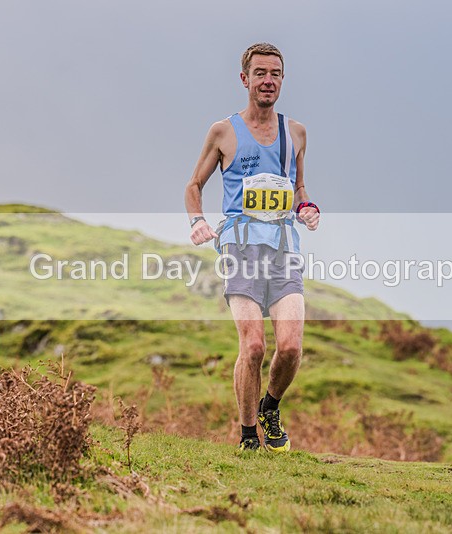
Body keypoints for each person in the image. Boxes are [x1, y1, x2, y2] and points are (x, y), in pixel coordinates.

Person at [184, 43, 320, 452]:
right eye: (260, 73)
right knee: (254, 346)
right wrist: (198, 221)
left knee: (292, 347)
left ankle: (270, 407)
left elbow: (297, 189)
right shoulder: (223, 132)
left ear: (282, 79)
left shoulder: (295, 132)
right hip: (240, 250)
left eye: (275, 73)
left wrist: (308, 208)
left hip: (283, 250)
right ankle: (247, 436)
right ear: (245, 79)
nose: (268, 80)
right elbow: (193, 187)